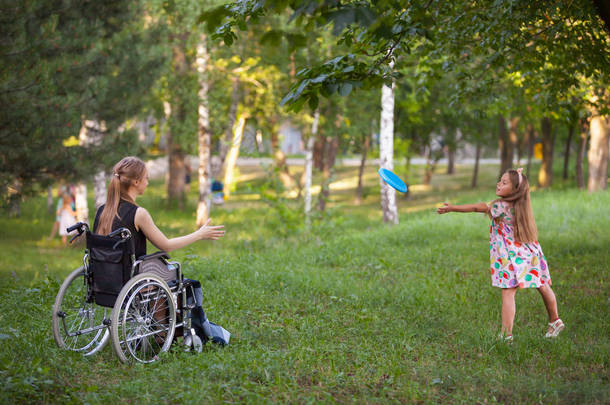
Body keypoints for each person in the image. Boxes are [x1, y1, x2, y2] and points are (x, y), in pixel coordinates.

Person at [93, 156, 228, 344]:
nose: (148, 182)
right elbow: (166, 245)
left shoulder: (102, 210)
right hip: (131, 280)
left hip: (104, 281)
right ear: (136, 182)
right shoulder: (138, 214)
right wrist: (199, 234)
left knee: (156, 273)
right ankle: (163, 335)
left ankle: (159, 331)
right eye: (146, 178)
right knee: (173, 276)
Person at [437, 168, 564, 342]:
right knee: (542, 285)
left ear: (515, 190)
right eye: (500, 180)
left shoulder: (500, 206)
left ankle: (506, 335)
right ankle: (555, 320)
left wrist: (453, 208)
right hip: (530, 252)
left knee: (508, 292)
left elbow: (477, 207)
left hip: (512, 257)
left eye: (504, 183)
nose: (499, 183)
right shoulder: (522, 206)